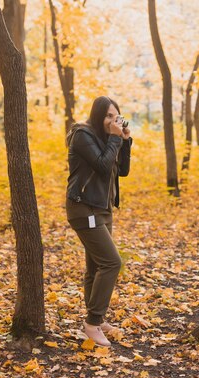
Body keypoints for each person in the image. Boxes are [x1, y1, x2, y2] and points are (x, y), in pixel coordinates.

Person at [65, 96, 132, 346]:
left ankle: (96, 319)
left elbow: (121, 170)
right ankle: (92, 323)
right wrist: (115, 138)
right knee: (112, 263)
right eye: (107, 116)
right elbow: (103, 167)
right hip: (84, 208)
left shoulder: (108, 140)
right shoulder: (83, 135)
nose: (112, 121)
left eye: (116, 116)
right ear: (97, 116)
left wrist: (125, 141)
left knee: (95, 268)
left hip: (102, 209)